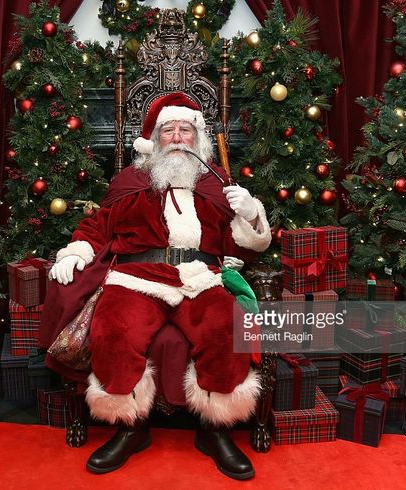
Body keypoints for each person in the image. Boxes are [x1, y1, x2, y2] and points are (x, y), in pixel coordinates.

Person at [44, 92, 271, 480]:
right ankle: (130, 428)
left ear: (197, 138)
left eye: (186, 129)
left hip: (199, 280)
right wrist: (74, 253)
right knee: (114, 327)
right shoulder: (129, 181)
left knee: (226, 327)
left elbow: (241, 249)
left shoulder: (217, 184)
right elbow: (97, 227)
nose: (178, 137)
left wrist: (250, 215)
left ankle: (214, 430)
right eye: (170, 130)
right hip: (136, 279)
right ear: (154, 138)